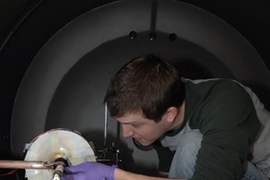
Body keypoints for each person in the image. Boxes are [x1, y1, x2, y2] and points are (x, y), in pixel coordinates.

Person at [62, 54, 270, 180]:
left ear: (169, 114)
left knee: (192, 144)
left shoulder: (225, 101)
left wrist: (114, 175)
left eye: (134, 124)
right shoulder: (158, 118)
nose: (126, 134)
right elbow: (170, 176)